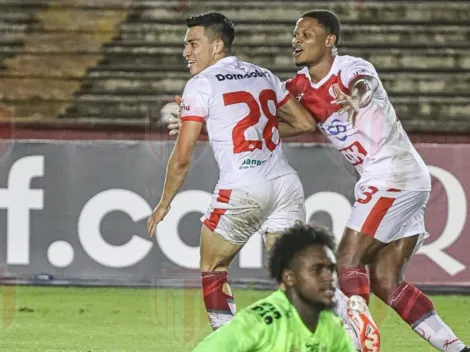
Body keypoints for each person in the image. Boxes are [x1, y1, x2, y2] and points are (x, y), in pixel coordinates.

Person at [284, 9, 468, 352]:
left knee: (347, 262)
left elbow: (363, 85)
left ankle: (357, 342)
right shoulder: (298, 87)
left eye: (306, 34)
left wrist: (356, 97)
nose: (296, 40)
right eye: (295, 35)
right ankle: (455, 347)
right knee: (387, 282)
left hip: (391, 175)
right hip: (401, 178)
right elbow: (270, 108)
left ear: (329, 41)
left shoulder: (352, 67)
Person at [146, 12, 316, 332]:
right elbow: (305, 123)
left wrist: (164, 203)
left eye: (194, 44)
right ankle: (328, 329)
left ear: (217, 46)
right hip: (284, 183)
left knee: (213, 267)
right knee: (292, 275)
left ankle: (228, 341)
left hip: (243, 187)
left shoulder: (201, 85)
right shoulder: (264, 75)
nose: (187, 52)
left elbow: (181, 159)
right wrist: (226, 129)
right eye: (186, 45)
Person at [192, 223, 356, 352]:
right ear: (289, 278)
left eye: (331, 269)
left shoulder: (331, 326)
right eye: (317, 269)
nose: (329, 277)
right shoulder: (257, 323)